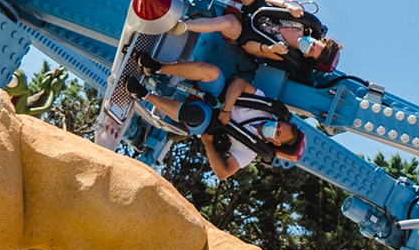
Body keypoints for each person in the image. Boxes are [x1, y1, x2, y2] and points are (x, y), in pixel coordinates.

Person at [123, 64, 304, 180]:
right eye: (279, 125)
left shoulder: (249, 152)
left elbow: (223, 173)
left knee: (196, 116)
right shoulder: (264, 106)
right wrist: (226, 110)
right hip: (218, 96)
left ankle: (143, 94)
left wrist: (208, 144)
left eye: (278, 132)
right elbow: (239, 84)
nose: (275, 127)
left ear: (276, 142)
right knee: (212, 72)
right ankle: (156, 67)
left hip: (208, 119)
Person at [174, 0, 342, 71]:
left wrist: (270, 49)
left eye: (311, 50)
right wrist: (286, 5)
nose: (310, 45)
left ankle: (184, 26)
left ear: (307, 56)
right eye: (314, 44)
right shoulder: (301, 23)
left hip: (245, 31)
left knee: (225, 23)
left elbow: (251, 48)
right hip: (253, 6)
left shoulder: (286, 53)